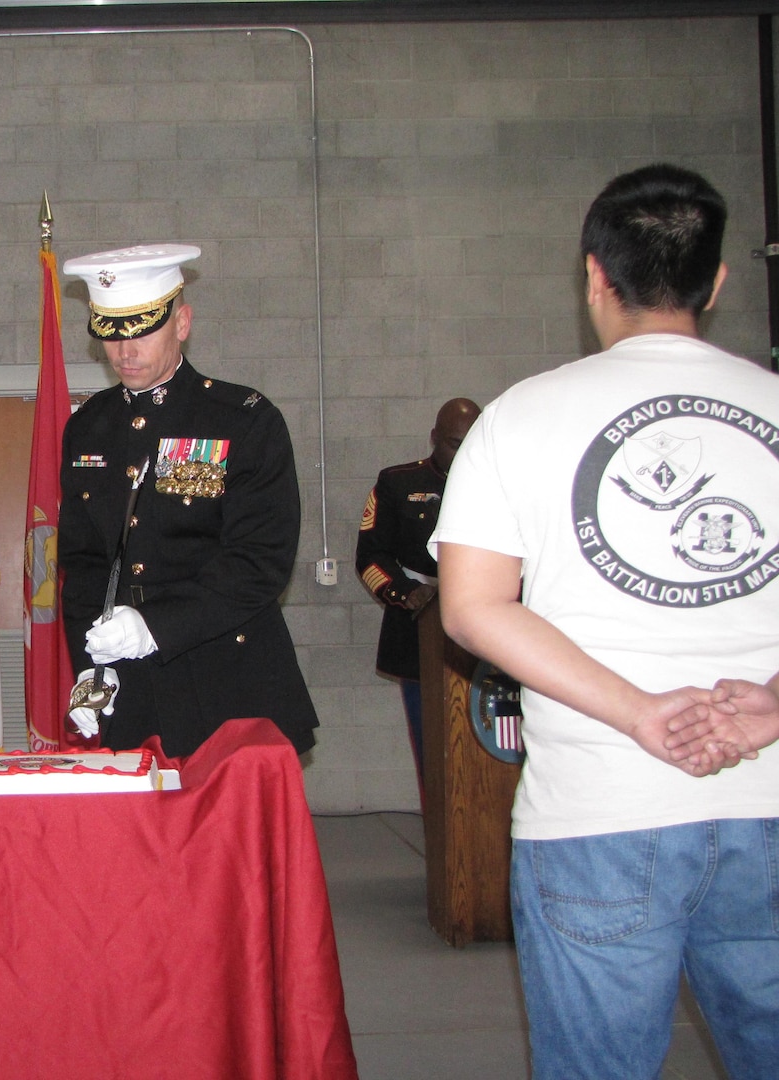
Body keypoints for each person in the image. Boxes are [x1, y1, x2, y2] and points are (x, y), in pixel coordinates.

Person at [431, 163, 779, 1079]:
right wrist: (772, 707)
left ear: (593, 276)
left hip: (600, 813)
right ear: (716, 282)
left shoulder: (518, 420)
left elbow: (471, 609)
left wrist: (639, 712)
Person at [58, 243, 319, 758]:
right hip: (130, 691)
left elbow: (258, 562)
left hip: (227, 683)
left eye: (141, 329)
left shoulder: (242, 420)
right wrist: (91, 668)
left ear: (182, 323)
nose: (124, 351)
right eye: (110, 333)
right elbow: (85, 564)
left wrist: (156, 626)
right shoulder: (89, 427)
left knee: (233, 838)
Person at [355, 397, 479, 792]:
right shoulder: (399, 483)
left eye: (473, 441)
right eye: (455, 443)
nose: (464, 453)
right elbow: (371, 555)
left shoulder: (503, 482)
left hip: (487, 630)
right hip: (419, 629)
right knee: (433, 749)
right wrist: (404, 592)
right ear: (434, 439)